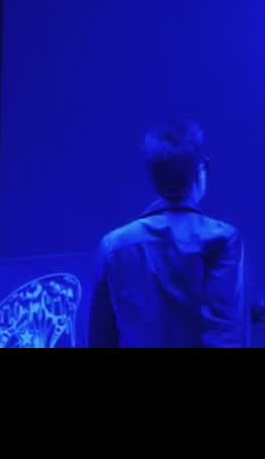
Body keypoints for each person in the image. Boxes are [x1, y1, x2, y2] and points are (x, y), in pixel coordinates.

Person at [88, 120, 245, 348]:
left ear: (153, 177)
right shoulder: (222, 239)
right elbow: (224, 335)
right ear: (200, 170)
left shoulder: (112, 246)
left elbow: (100, 339)